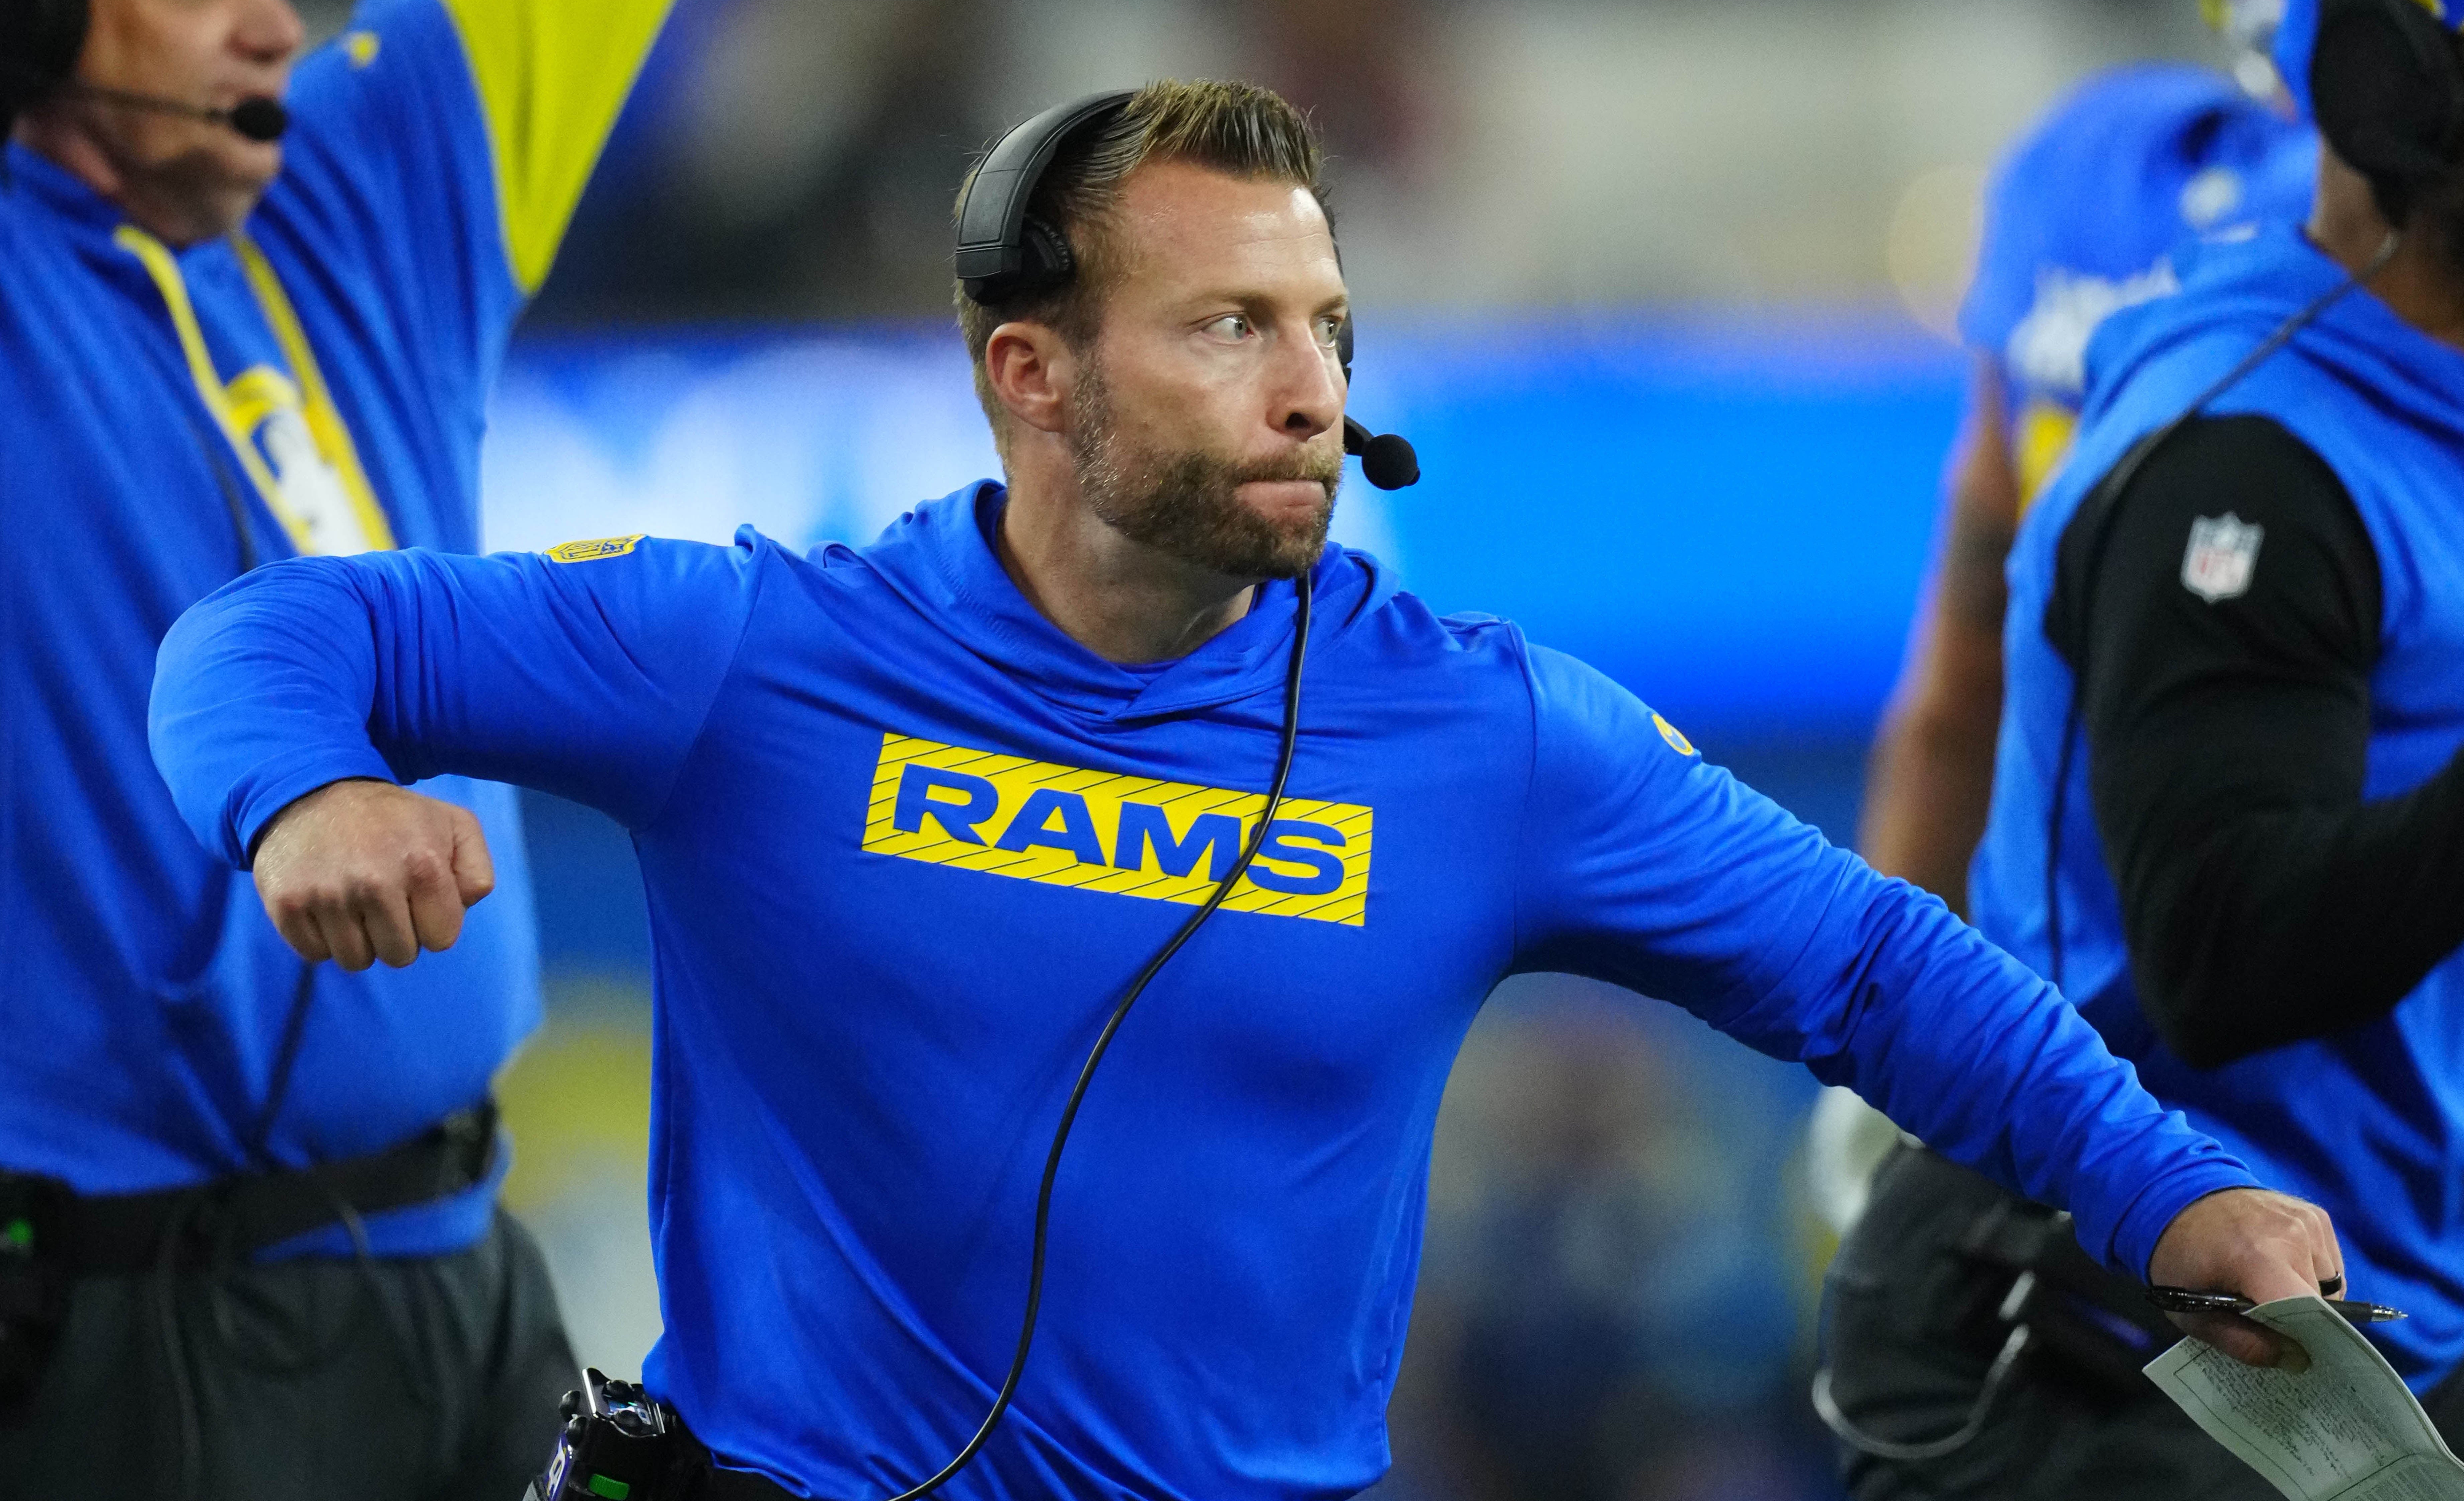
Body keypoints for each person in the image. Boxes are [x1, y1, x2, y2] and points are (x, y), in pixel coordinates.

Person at [149, 80, 2339, 1501]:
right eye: (1229, 330)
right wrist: (300, 801)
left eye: (1329, 323)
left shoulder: (1486, 740)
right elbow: (271, 632)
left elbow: (1873, 963)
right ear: (1033, 371)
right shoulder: (756, 652)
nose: (1312, 389)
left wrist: (2165, 1189)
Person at [0, 0, 796, 1495]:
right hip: (104, 1342)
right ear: (16, 9)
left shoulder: (372, 197)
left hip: (468, 1289)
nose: (273, 19)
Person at [1820, 0, 2464, 1498]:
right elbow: (2226, 950)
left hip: (2373, 1314)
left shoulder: (2416, 395)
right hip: (2135, 1354)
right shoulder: (2250, 464)